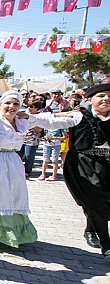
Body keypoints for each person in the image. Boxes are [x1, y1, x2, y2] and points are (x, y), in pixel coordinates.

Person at [0, 90, 80, 251]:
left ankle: (5, 228)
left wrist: (77, 116)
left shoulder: (23, 120)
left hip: (10, 162)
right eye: (7, 103)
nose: (11, 107)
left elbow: (49, 120)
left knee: (12, 196)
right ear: (0, 104)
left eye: (16, 103)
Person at [63, 84, 110, 257]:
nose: (106, 99)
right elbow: (51, 121)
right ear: (90, 99)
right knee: (95, 198)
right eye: (102, 96)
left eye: (109, 96)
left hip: (107, 163)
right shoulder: (78, 115)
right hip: (84, 163)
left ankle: (91, 229)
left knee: (103, 199)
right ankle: (106, 242)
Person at [22, 100, 43, 178]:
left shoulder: (39, 116)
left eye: (31, 107)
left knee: (29, 155)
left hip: (32, 139)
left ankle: (27, 171)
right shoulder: (24, 115)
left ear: (37, 108)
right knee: (18, 155)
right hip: (22, 138)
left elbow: (39, 129)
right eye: (28, 106)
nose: (29, 108)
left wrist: (30, 122)